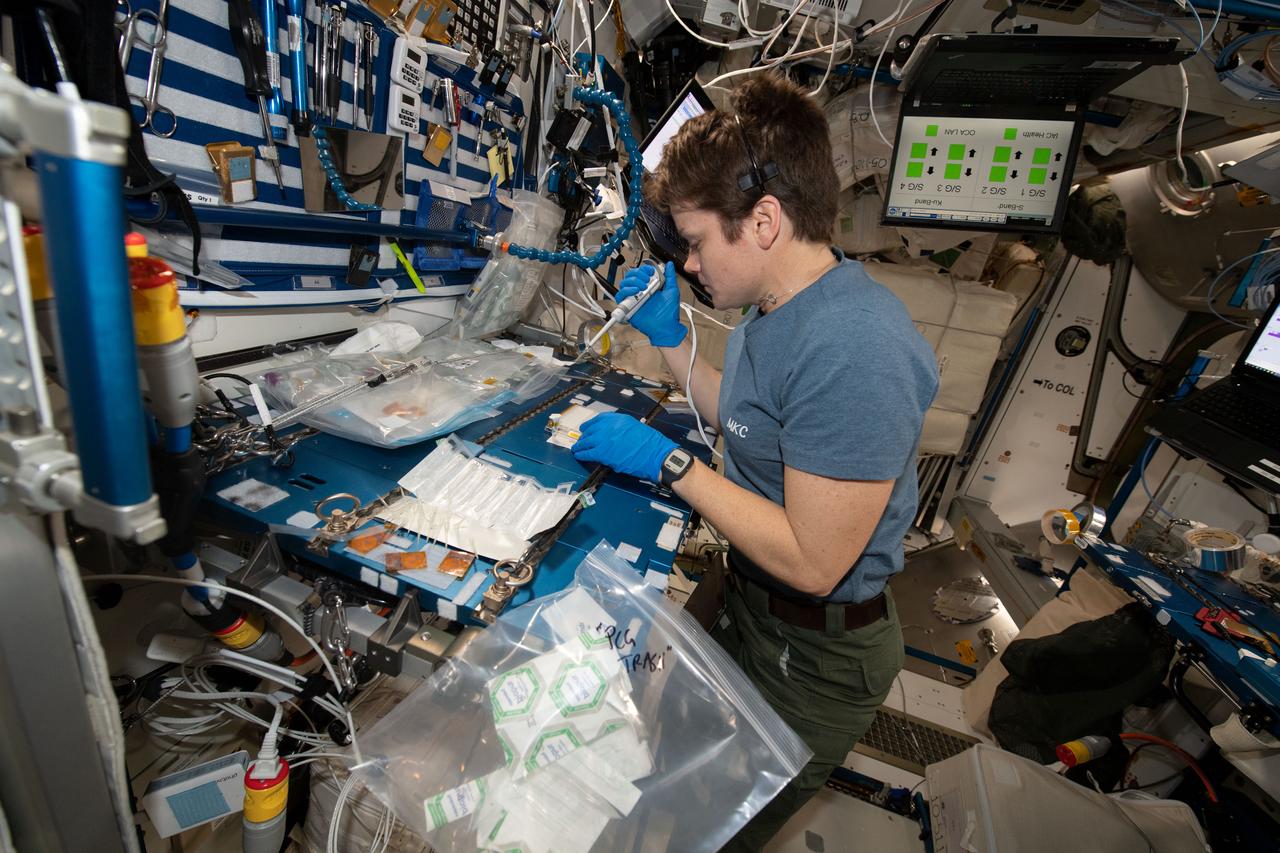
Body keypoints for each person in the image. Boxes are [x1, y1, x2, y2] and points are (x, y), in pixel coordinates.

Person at [571, 73, 939, 850]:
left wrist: (672, 467)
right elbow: (744, 422)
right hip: (749, 606)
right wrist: (674, 341)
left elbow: (813, 560)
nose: (692, 265)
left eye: (698, 242)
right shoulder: (781, 310)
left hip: (816, 654)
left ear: (764, 221)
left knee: (716, 829)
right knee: (667, 767)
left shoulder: (855, 345)